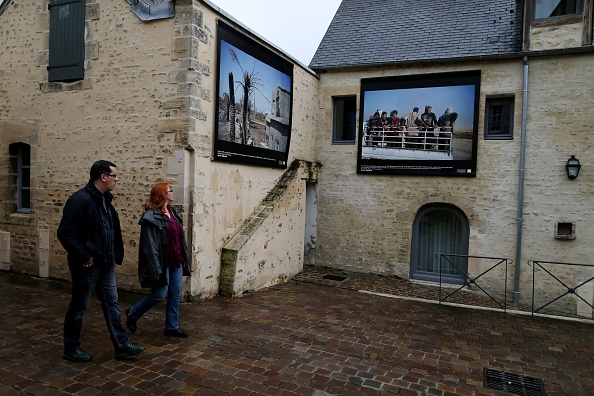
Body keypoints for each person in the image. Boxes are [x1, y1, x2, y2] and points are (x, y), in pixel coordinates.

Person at [58, 160, 145, 362]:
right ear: (103, 177)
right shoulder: (80, 200)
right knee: (78, 307)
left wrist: (114, 254)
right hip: (87, 266)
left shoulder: (106, 199)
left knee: (113, 304)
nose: (117, 179)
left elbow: (109, 230)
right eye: (115, 175)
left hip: (106, 264)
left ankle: (122, 345)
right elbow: (65, 233)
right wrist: (83, 256)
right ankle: (71, 347)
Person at [125, 182, 191, 338]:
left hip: (176, 262)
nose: (173, 193)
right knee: (159, 295)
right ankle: (133, 313)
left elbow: (179, 239)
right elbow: (150, 247)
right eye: (170, 190)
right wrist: (155, 269)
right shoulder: (150, 217)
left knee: (175, 295)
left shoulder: (173, 213)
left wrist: (183, 259)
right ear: (162, 194)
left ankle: (171, 327)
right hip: (162, 264)